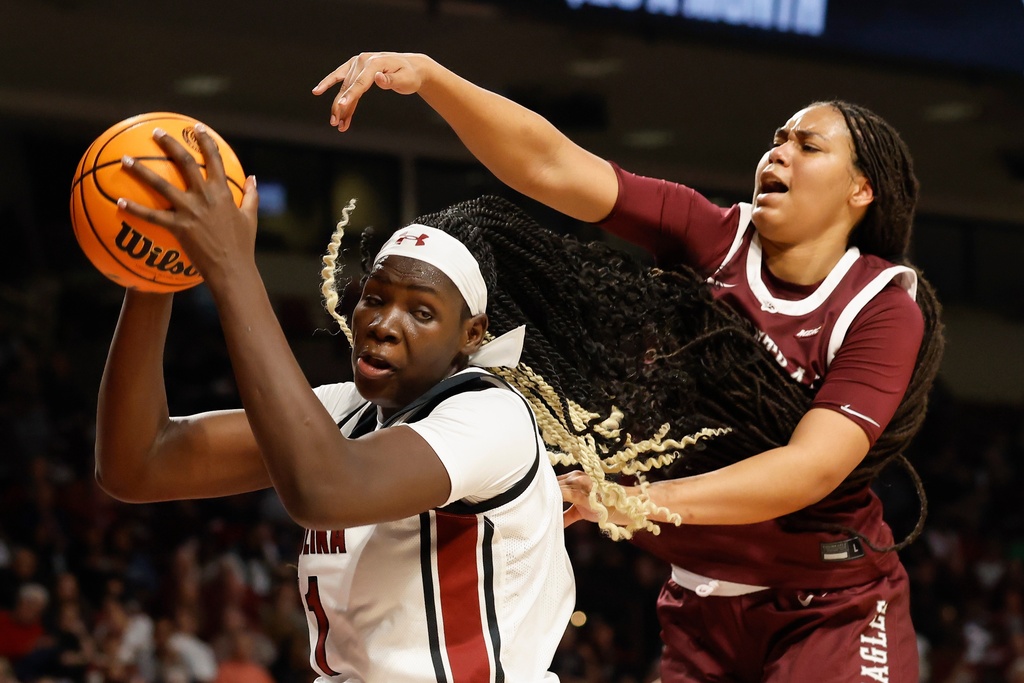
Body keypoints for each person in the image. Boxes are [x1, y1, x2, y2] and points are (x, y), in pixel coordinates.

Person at [313, 53, 945, 682]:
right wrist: (433, 77)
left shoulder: (883, 305)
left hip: (831, 603)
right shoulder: (716, 237)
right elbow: (551, 165)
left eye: (807, 146)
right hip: (701, 602)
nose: (777, 153)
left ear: (861, 190)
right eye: (777, 140)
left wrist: (635, 499)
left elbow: (811, 468)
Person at [95, 125, 576, 681]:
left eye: (421, 313)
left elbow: (324, 490)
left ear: (472, 334)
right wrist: (156, 274)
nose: (383, 326)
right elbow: (137, 464)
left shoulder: (492, 416)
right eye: (375, 299)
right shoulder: (344, 409)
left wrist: (232, 268)